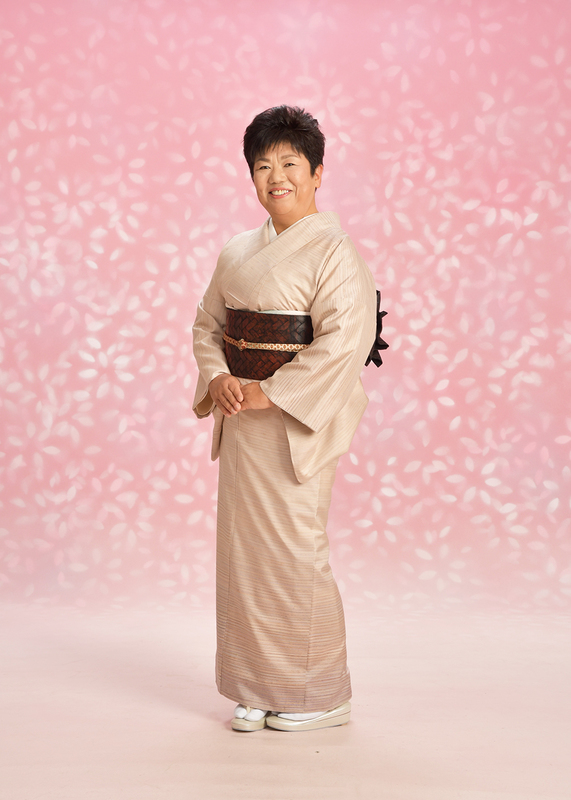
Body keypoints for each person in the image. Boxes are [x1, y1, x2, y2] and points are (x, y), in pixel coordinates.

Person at [192, 105, 377, 732]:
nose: (277, 177)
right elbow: (208, 325)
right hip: (240, 416)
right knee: (244, 554)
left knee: (296, 550)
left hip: (295, 424)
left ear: (317, 172)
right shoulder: (237, 251)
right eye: (263, 165)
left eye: (290, 164)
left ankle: (319, 691)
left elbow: (345, 341)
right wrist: (218, 377)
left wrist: (269, 393)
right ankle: (256, 685)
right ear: (251, 175)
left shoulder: (335, 253)